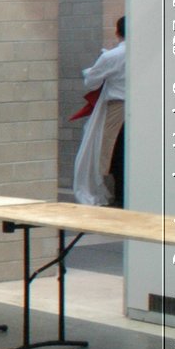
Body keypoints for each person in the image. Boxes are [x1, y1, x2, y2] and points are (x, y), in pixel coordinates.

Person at [72, 16, 126, 207]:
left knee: (110, 151)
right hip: (143, 108)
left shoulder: (112, 56)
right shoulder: (147, 53)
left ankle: (119, 194)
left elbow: (92, 81)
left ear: (118, 33)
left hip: (118, 107)